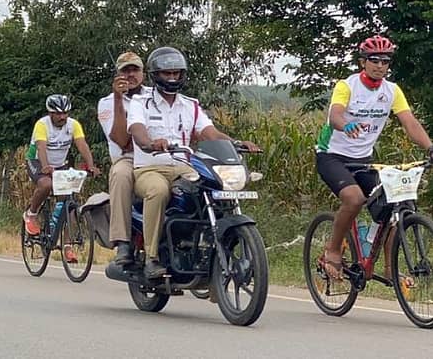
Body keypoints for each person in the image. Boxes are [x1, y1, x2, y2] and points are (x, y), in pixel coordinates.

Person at [126, 47, 261, 278]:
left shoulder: (190, 105)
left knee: (212, 189)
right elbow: (137, 131)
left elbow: (210, 133)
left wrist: (237, 143)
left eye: (176, 73)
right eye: (166, 73)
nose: (172, 78)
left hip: (183, 167)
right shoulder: (141, 102)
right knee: (158, 191)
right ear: (155, 75)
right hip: (150, 168)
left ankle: (208, 253)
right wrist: (150, 142)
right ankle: (151, 258)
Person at [316, 35, 433, 281]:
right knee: (354, 198)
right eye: (374, 60)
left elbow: (410, 123)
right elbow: (335, 115)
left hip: (364, 160)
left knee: (394, 206)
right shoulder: (347, 86)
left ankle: (390, 269)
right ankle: (333, 249)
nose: (380, 65)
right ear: (363, 62)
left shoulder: (392, 91)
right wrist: (346, 125)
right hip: (333, 157)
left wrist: (430, 147)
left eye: (385, 61)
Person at [22, 94, 100, 262]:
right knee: (46, 184)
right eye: (58, 114)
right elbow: (41, 148)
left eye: (65, 113)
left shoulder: (73, 125)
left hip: (60, 163)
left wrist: (90, 165)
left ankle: (67, 245)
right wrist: (44, 166)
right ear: (50, 113)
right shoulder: (42, 125)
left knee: (68, 202)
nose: (62, 117)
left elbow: (82, 145)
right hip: (36, 160)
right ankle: (31, 214)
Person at [96, 52, 153, 264]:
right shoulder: (106, 103)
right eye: (125, 70)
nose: (131, 75)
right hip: (128, 158)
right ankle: (122, 242)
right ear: (117, 74)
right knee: (120, 176)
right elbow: (122, 140)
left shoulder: (155, 95)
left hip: (158, 155)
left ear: (143, 73)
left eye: (135, 70)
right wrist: (119, 99)